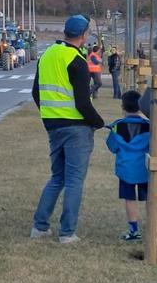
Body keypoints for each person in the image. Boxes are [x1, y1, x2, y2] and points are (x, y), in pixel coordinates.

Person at [30, 15, 105, 244]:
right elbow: (83, 103)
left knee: (57, 178)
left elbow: (36, 93)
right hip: (76, 128)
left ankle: (40, 227)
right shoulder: (77, 60)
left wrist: (50, 115)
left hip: (53, 126)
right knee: (74, 181)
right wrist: (98, 122)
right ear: (83, 35)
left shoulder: (47, 55)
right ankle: (67, 233)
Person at [106, 90, 149, 242]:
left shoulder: (117, 127)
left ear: (122, 107)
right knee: (151, 199)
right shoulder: (149, 126)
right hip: (146, 170)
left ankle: (134, 230)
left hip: (126, 171)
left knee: (130, 199)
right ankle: (153, 228)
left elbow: (112, 147)